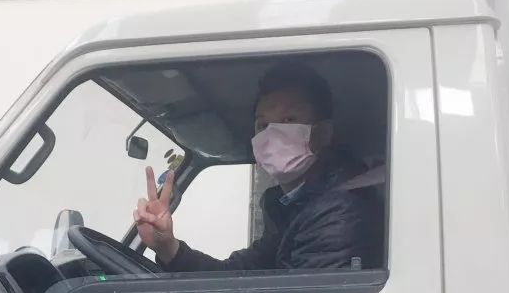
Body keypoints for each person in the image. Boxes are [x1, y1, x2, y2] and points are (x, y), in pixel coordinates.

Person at [133, 62, 383, 272]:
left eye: (288, 119)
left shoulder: (340, 212)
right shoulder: (292, 206)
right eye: (262, 125)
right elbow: (239, 273)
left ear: (323, 133)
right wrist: (169, 249)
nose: (272, 134)